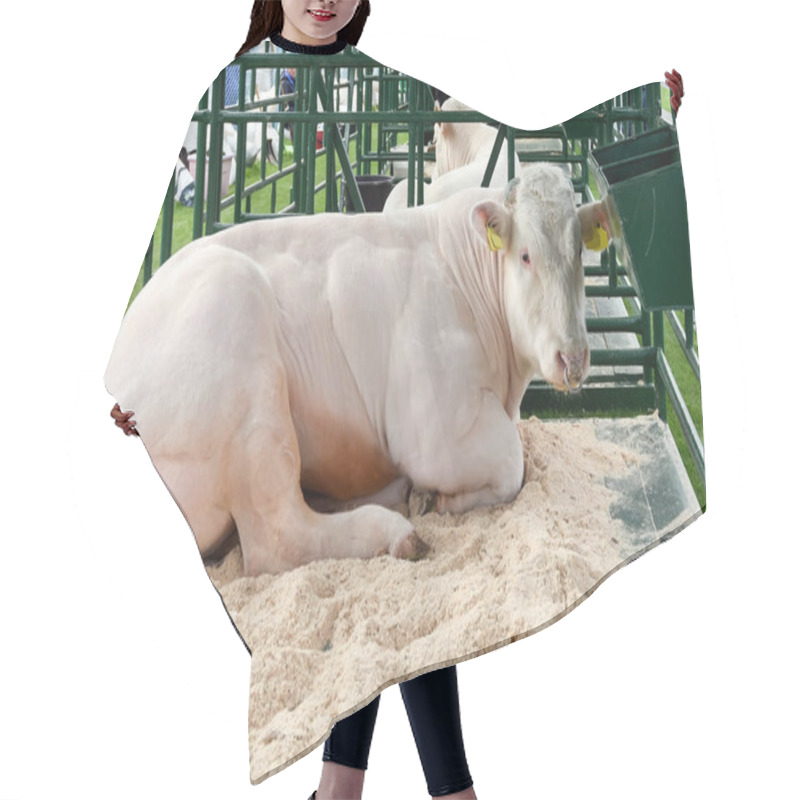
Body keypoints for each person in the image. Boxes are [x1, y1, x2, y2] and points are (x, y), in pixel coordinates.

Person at [113, 3, 477, 798]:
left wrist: (657, 110)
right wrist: (125, 385)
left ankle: (342, 788)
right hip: (257, 390)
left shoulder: (389, 83)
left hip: (335, 389)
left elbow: (492, 134)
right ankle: (447, 792)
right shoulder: (231, 82)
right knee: (392, 544)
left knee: (395, 551)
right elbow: (165, 241)